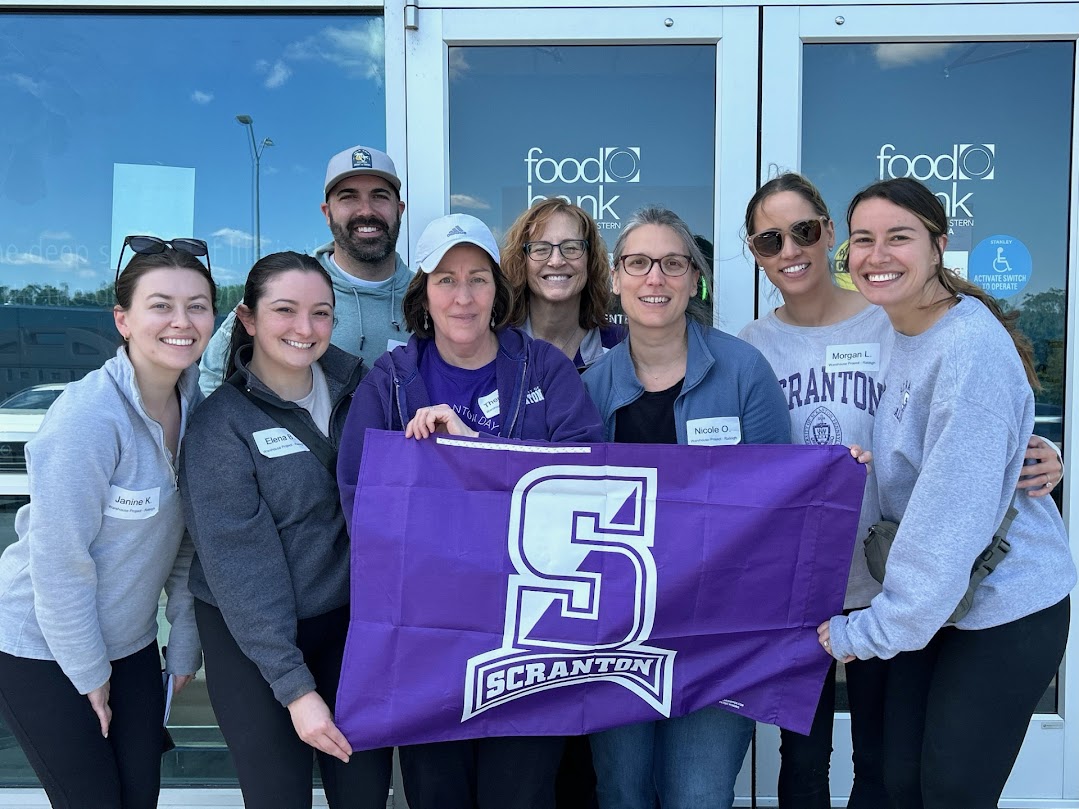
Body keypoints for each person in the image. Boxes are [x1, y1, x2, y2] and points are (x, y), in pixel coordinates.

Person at [737, 172, 1065, 808]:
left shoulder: (931, 332)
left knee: (937, 785)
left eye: (899, 237)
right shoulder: (901, 325)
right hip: (911, 596)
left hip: (966, 594)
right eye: (866, 239)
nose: (878, 255)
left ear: (938, 245)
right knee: (896, 776)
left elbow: (968, 464)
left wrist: (1044, 456)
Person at [337, 213, 603, 809]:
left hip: (530, 638)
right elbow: (361, 501)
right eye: (446, 280)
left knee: (520, 795)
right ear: (423, 294)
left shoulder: (544, 369)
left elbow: (586, 480)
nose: (463, 296)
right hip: (428, 643)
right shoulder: (391, 382)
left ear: (498, 291)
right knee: (438, 795)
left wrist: (473, 451)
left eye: (478, 279)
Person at [582, 207, 791, 809]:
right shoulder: (591, 387)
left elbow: (781, 499)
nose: (656, 278)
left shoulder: (743, 370)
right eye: (639, 263)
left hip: (721, 628)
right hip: (618, 633)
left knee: (697, 794)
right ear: (616, 278)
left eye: (673, 264)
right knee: (622, 791)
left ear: (695, 279)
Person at [0, 237, 215, 808]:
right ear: (123, 320)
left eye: (197, 306)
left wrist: (183, 645)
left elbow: (188, 544)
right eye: (161, 305)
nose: (182, 321)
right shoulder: (89, 417)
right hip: (44, 647)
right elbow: (59, 563)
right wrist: (90, 674)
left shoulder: (196, 409)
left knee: (139, 797)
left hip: (132, 644)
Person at [179, 252, 391, 809]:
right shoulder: (220, 427)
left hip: (347, 627)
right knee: (278, 796)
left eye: (320, 312)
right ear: (248, 319)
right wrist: (296, 690)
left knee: (365, 792)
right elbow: (242, 571)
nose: (305, 327)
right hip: (253, 638)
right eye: (285, 310)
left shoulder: (363, 391)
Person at [199, 144, 413, 394]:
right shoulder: (286, 286)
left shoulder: (427, 297)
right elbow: (213, 376)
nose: (366, 210)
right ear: (327, 213)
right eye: (348, 197)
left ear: (399, 210)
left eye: (379, 196)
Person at [502, 198, 624, 371]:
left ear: (590, 261)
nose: (556, 261)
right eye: (541, 249)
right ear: (522, 262)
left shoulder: (622, 347)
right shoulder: (497, 347)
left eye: (571, 248)